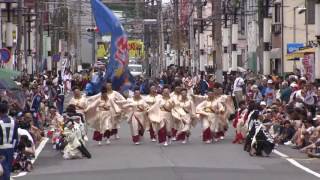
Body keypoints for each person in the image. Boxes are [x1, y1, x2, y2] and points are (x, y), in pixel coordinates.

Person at [0, 101, 18, 180]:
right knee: (7, 169)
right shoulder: (14, 121)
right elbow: (15, 138)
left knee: (2, 171)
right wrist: (14, 150)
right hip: (10, 148)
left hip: (1, 149)